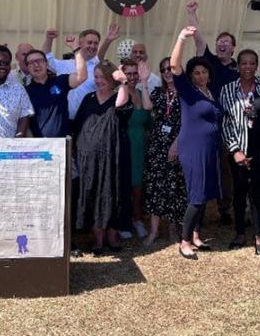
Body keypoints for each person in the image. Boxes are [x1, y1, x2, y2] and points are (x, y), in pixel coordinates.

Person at [219, 30, 260, 253]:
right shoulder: (227, 90)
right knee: (239, 190)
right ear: (238, 66)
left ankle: (258, 235)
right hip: (239, 148)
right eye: (243, 63)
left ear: (256, 66)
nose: (247, 66)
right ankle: (239, 233)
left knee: (256, 189)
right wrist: (235, 151)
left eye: (251, 63)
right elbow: (225, 124)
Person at [170, 26, 224, 260]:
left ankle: (196, 235)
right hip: (193, 148)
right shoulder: (188, 93)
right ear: (191, 76)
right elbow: (174, 66)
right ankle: (183, 241)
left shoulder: (211, 93)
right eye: (196, 73)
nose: (201, 76)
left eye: (204, 72)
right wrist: (182, 38)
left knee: (206, 192)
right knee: (197, 194)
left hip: (210, 149)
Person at [185, 0, 238, 225]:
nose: (222, 44)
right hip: (203, 124)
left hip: (226, 128)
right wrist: (192, 14)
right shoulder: (210, 62)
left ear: (233, 48)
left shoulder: (239, 70)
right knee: (204, 166)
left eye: (226, 42)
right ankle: (199, 210)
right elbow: (198, 39)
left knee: (226, 169)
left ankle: (225, 208)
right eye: (220, 42)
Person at [72, 61, 133, 255]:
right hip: (88, 157)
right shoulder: (88, 98)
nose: (99, 81)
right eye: (96, 77)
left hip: (113, 156)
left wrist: (123, 83)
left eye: (103, 77)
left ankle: (112, 236)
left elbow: (121, 107)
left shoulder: (119, 97)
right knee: (92, 193)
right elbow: (78, 125)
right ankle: (97, 238)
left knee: (113, 191)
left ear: (111, 79)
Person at [143, 57, 187, 247]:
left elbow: (187, 122)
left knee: (174, 188)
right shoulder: (158, 92)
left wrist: (176, 144)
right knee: (155, 187)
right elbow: (147, 107)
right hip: (157, 147)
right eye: (163, 70)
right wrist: (143, 82)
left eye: (171, 68)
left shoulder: (186, 94)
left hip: (177, 144)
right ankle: (153, 231)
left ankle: (172, 229)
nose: (168, 72)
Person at [120, 58, 153, 239]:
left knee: (139, 188)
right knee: (125, 186)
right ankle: (123, 221)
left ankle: (137, 219)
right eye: (128, 73)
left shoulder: (143, 93)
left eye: (135, 73)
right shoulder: (120, 94)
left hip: (141, 145)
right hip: (126, 145)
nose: (132, 77)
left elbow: (150, 119)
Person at [24, 49, 87, 138]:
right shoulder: (25, 92)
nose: (36, 65)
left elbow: (82, 76)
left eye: (40, 61)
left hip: (61, 144)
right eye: (31, 62)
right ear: (27, 68)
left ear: (47, 64)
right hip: (39, 146)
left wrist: (76, 50)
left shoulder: (60, 81)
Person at [44, 28, 102, 119]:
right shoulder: (66, 64)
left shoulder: (99, 67)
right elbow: (46, 59)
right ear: (80, 44)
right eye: (89, 42)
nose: (93, 46)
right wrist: (49, 39)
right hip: (63, 119)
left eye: (96, 43)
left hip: (88, 121)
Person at [98, 24, 162, 95]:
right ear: (131, 56)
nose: (138, 55)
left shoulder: (156, 80)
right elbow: (99, 60)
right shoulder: (121, 74)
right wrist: (108, 41)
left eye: (141, 52)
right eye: (135, 52)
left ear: (146, 57)